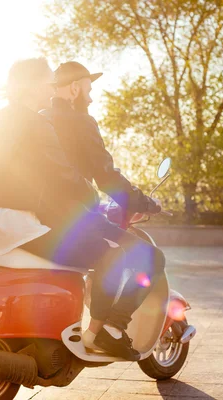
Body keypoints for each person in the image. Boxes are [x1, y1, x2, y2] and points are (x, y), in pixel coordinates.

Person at [0, 58, 163, 361]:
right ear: (33, 85)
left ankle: (93, 327)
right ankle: (105, 332)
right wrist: (92, 200)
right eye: (47, 81)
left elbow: (28, 174)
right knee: (130, 254)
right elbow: (65, 174)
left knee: (105, 246)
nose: (51, 86)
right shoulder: (38, 122)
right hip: (30, 223)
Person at [29, 61, 166, 359]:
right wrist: (144, 202)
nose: (90, 98)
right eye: (88, 90)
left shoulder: (40, 118)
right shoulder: (81, 121)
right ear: (75, 88)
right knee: (152, 256)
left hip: (39, 220)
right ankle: (109, 332)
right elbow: (106, 176)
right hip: (77, 218)